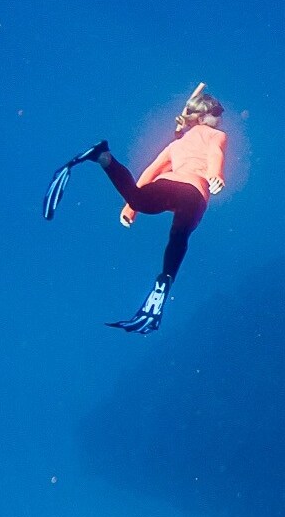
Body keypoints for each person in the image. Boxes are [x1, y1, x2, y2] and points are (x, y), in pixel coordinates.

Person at [43, 83, 229, 334]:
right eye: (217, 113)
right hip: (194, 192)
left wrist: (132, 207)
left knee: (142, 200)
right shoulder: (216, 135)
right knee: (179, 236)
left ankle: (104, 157)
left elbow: (150, 173)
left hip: (169, 184)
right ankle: (165, 278)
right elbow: (215, 152)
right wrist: (215, 175)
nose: (220, 119)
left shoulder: (176, 146)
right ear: (204, 116)